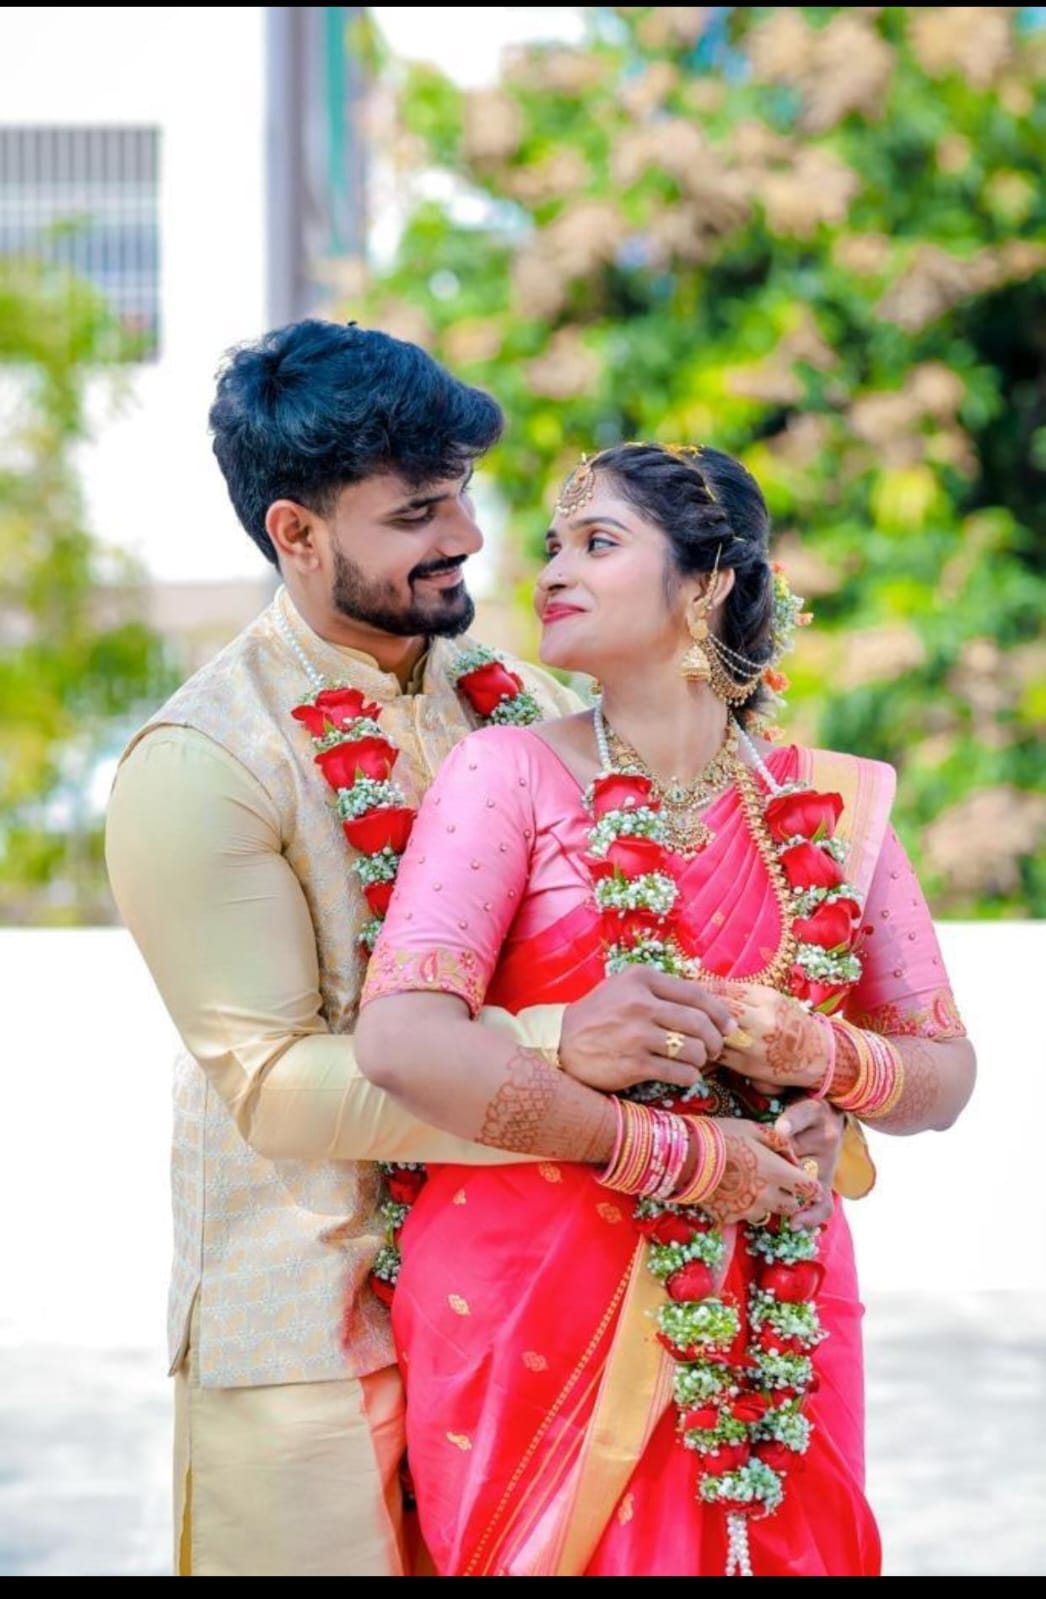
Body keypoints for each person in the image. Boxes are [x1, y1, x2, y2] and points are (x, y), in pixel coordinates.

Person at [104, 324, 852, 1578]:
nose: (464, 535)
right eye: (414, 514)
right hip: (307, 1339)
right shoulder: (204, 763)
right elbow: (274, 1085)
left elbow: (660, 935)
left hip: (529, 1299)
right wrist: (568, 1053)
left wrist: (780, 1098)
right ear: (296, 533)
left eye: (459, 494)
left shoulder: (522, 704)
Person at [354, 441, 977, 1578]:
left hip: (773, 1298)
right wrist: (675, 1155)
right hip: (538, 1297)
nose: (551, 570)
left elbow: (943, 1074)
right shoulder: (508, 775)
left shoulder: (829, 807)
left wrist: (822, 1055)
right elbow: (400, 1040)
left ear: (707, 583)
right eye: (553, 546)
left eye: (597, 543)